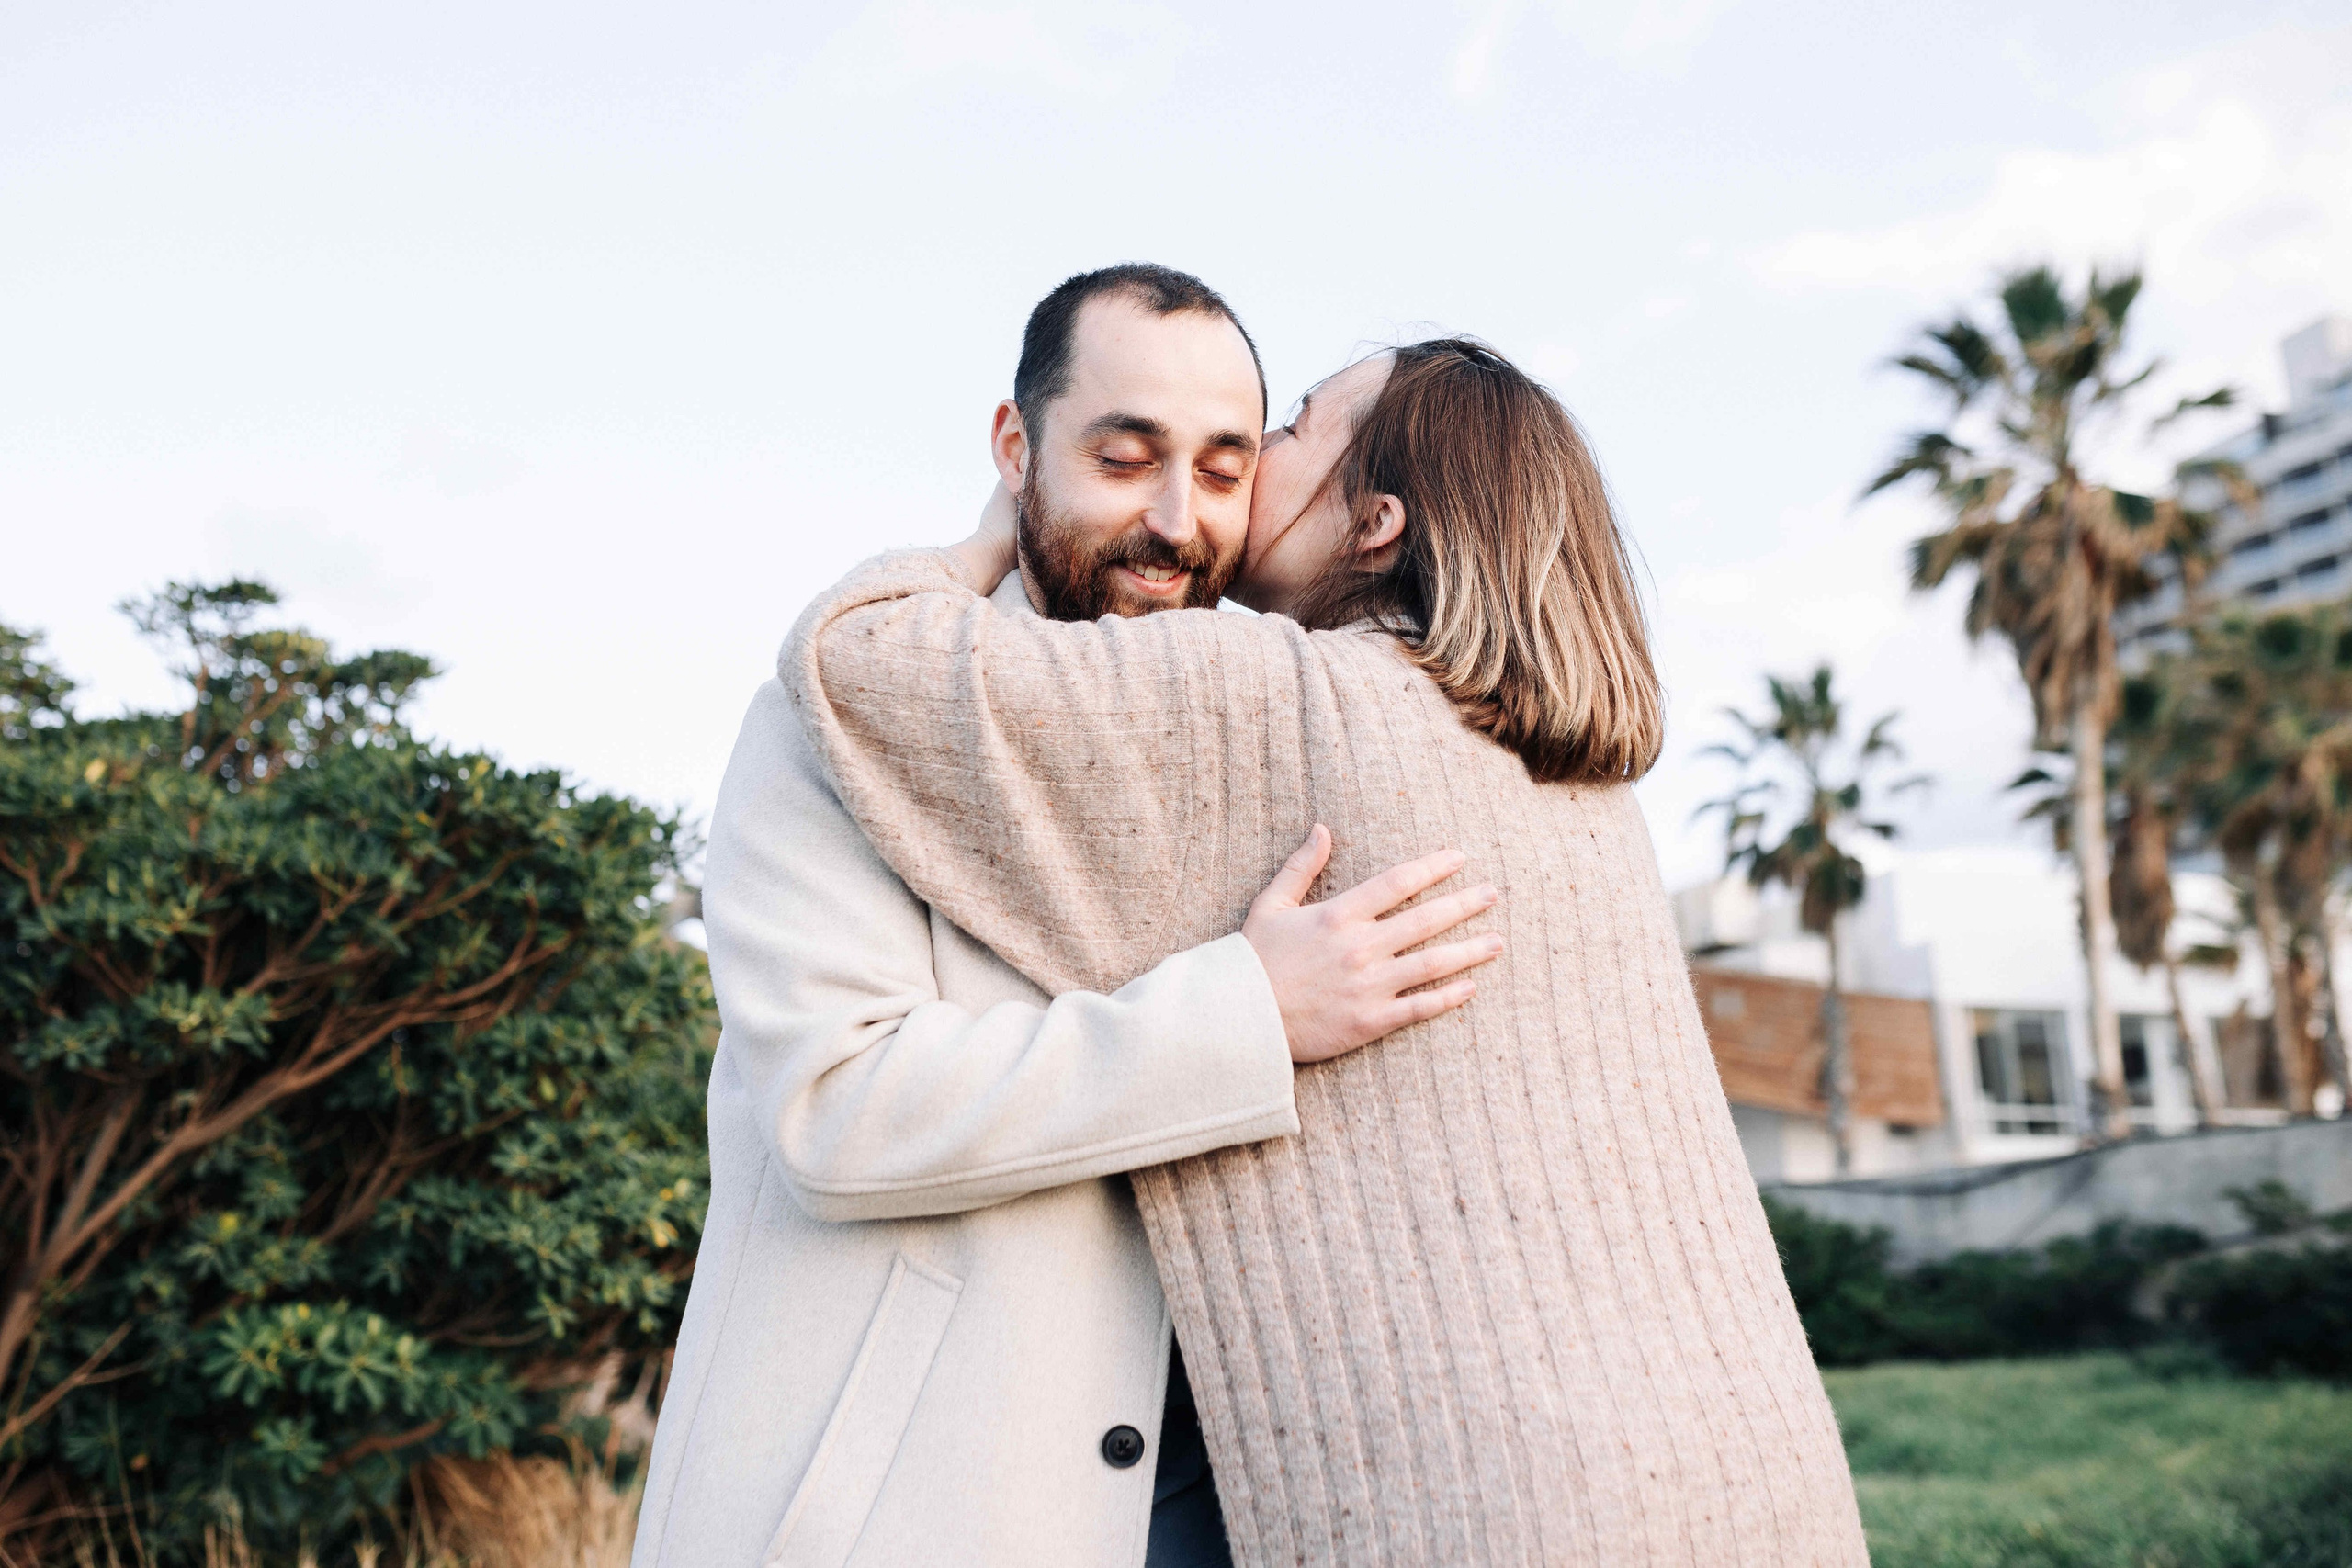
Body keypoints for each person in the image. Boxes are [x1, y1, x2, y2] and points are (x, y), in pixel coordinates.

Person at [786, 338, 1872, 1564]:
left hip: (1506, 1514)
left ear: (1374, 520)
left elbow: (854, 656)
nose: (1253, 468)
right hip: (1754, 1477)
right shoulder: (1574, 784)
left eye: (1291, 429)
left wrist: (1007, 505)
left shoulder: (1288, 700)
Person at [629, 266, 1498, 1568]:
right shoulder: (847, 717)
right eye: (1125, 456)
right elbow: (837, 1105)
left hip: (1230, 1500)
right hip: (910, 1514)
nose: (1174, 520)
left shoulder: (1269, 732)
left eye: (1221, 471)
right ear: (1015, 447)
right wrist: (1249, 1013)